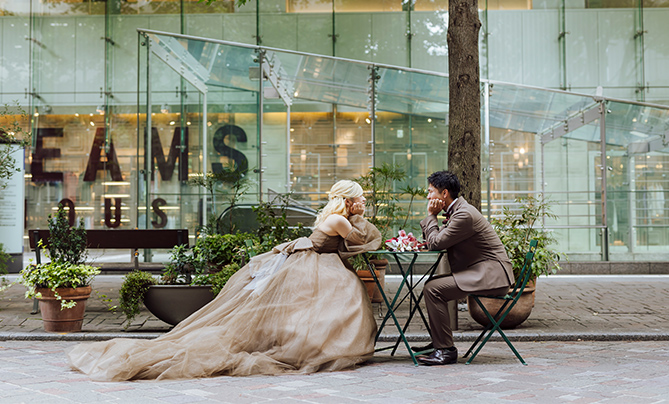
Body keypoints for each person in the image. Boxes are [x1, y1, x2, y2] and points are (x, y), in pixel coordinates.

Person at [68, 180, 382, 381]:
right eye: (361, 200)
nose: (364, 204)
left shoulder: (339, 216)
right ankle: (317, 347)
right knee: (343, 295)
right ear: (349, 201)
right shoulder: (339, 219)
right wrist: (366, 224)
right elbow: (362, 241)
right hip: (310, 263)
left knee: (318, 304)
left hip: (314, 262)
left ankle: (314, 344)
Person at [414, 171, 514, 366]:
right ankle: (439, 342)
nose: (427, 197)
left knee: (433, 289)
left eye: (430, 192)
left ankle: (446, 350)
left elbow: (435, 243)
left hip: (492, 276)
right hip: (483, 272)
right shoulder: (458, 210)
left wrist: (431, 215)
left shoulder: (464, 214)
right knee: (432, 284)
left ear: (444, 194)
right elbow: (436, 239)